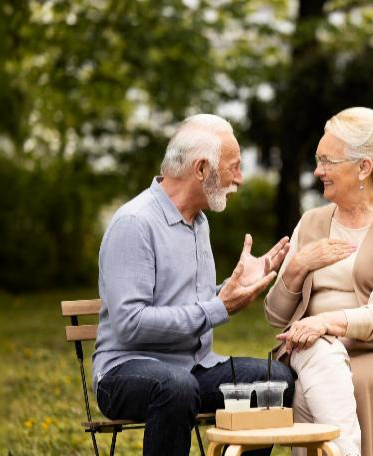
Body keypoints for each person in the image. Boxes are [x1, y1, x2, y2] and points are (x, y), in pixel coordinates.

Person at [93, 114, 294, 456]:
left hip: (192, 369)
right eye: (235, 166)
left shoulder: (198, 223)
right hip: (124, 372)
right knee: (176, 387)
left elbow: (190, 302)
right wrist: (218, 308)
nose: (240, 179)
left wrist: (232, 288)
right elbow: (129, 325)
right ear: (202, 169)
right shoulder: (134, 223)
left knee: (275, 379)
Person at [265, 107, 373, 456]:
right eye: (317, 159)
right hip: (310, 347)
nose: (317, 171)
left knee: (335, 377)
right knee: (317, 360)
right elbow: (277, 317)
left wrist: (323, 323)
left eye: (327, 161)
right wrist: (298, 266)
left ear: (363, 168)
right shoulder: (310, 223)